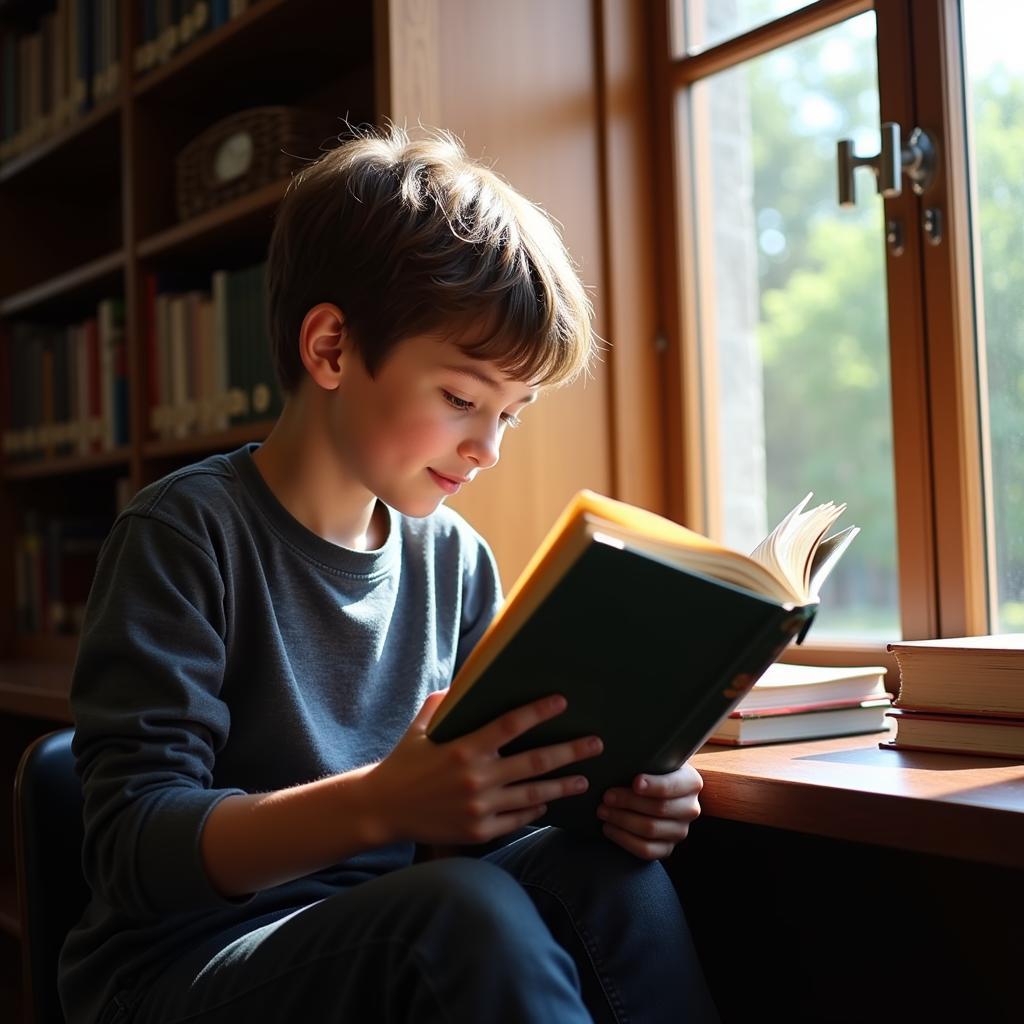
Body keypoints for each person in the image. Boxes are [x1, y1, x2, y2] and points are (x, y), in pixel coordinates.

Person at [59, 125, 720, 1024]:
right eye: (460, 399)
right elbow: (132, 845)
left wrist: (619, 798)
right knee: (461, 915)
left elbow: (482, 816)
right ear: (330, 349)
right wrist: (382, 802)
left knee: (603, 875)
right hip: (183, 965)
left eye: (511, 415)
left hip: (386, 930)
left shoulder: (455, 560)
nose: (486, 449)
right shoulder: (185, 533)